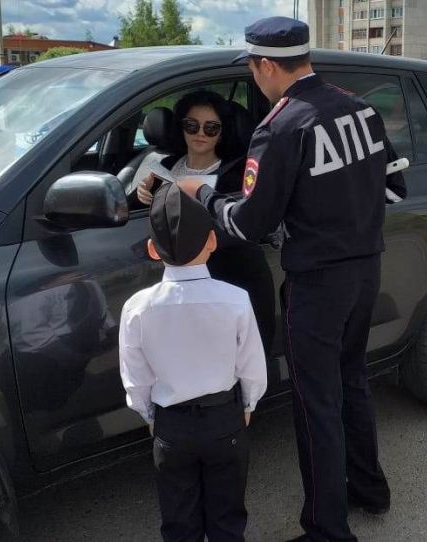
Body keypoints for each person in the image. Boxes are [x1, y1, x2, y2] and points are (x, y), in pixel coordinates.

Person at [178, 16, 407, 542]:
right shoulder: (360, 107)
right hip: (365, 269)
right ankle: (371, 490)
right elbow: (394, 189)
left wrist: (201, 193)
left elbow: (248, 224)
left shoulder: (280, 127)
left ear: (263, 66)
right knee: (352, 383)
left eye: (253, 69)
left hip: (318, 285)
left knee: (316, 403)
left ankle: (328, 529)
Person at [119, 182, 267, 541]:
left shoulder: (137, 308)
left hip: (172, 428)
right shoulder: (235, 300)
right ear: (213, 242)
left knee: (178, 523)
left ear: (154, 250)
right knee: (227, 519)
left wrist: (150, 416)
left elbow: (135, 380)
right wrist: (247, 405)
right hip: (224, 421)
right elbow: (252, 366)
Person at [138, 90, 276, 355]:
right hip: (173, 285)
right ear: (180, 127)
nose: (200, 133)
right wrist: (144, 196)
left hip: (227, 281)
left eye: (211, 128)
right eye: (192, 125)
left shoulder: (238, 175)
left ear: (222, 133)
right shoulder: (160, 165)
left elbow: (242, 223)